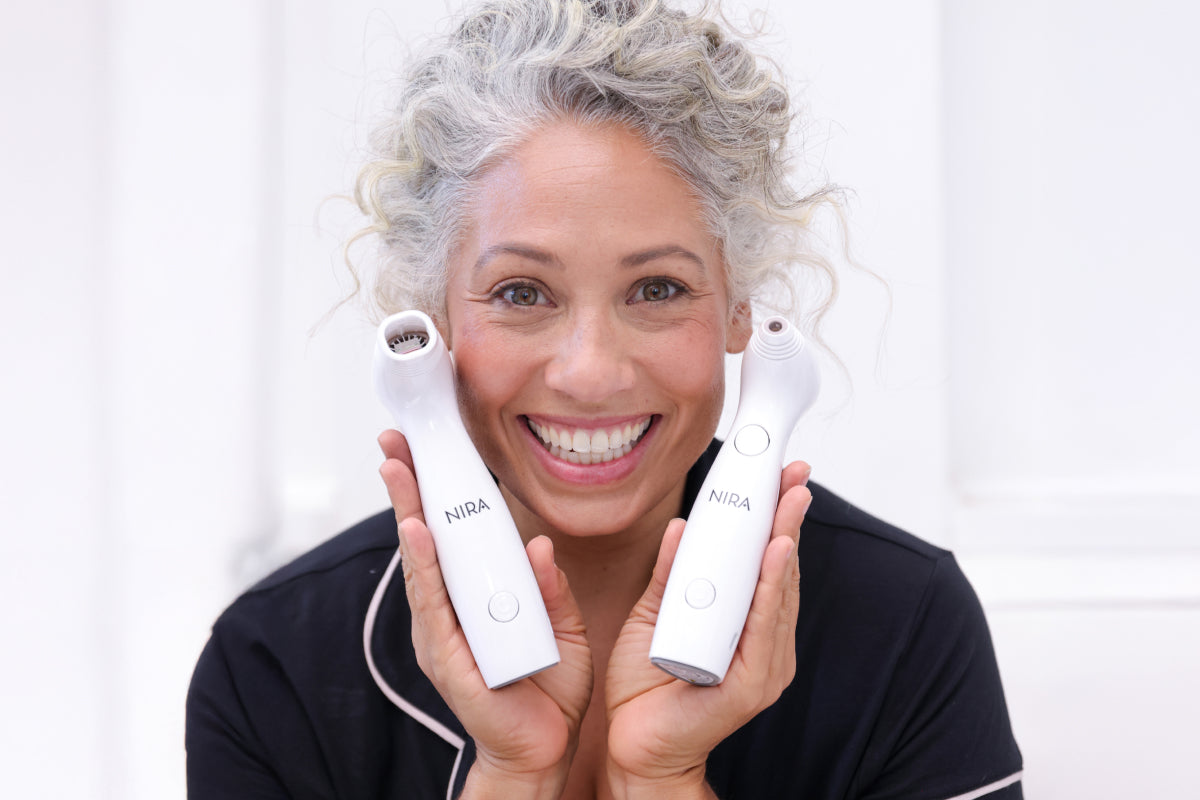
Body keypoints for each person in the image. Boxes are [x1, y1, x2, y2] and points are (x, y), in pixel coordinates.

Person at [186, 0, 1023, 798]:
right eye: (521, 293)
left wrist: (658, 782)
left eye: (657, 289)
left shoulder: (906, 625)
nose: (590, 373)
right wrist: (514, 778)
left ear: (740, 308)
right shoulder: (273, 668)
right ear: (432, 316)